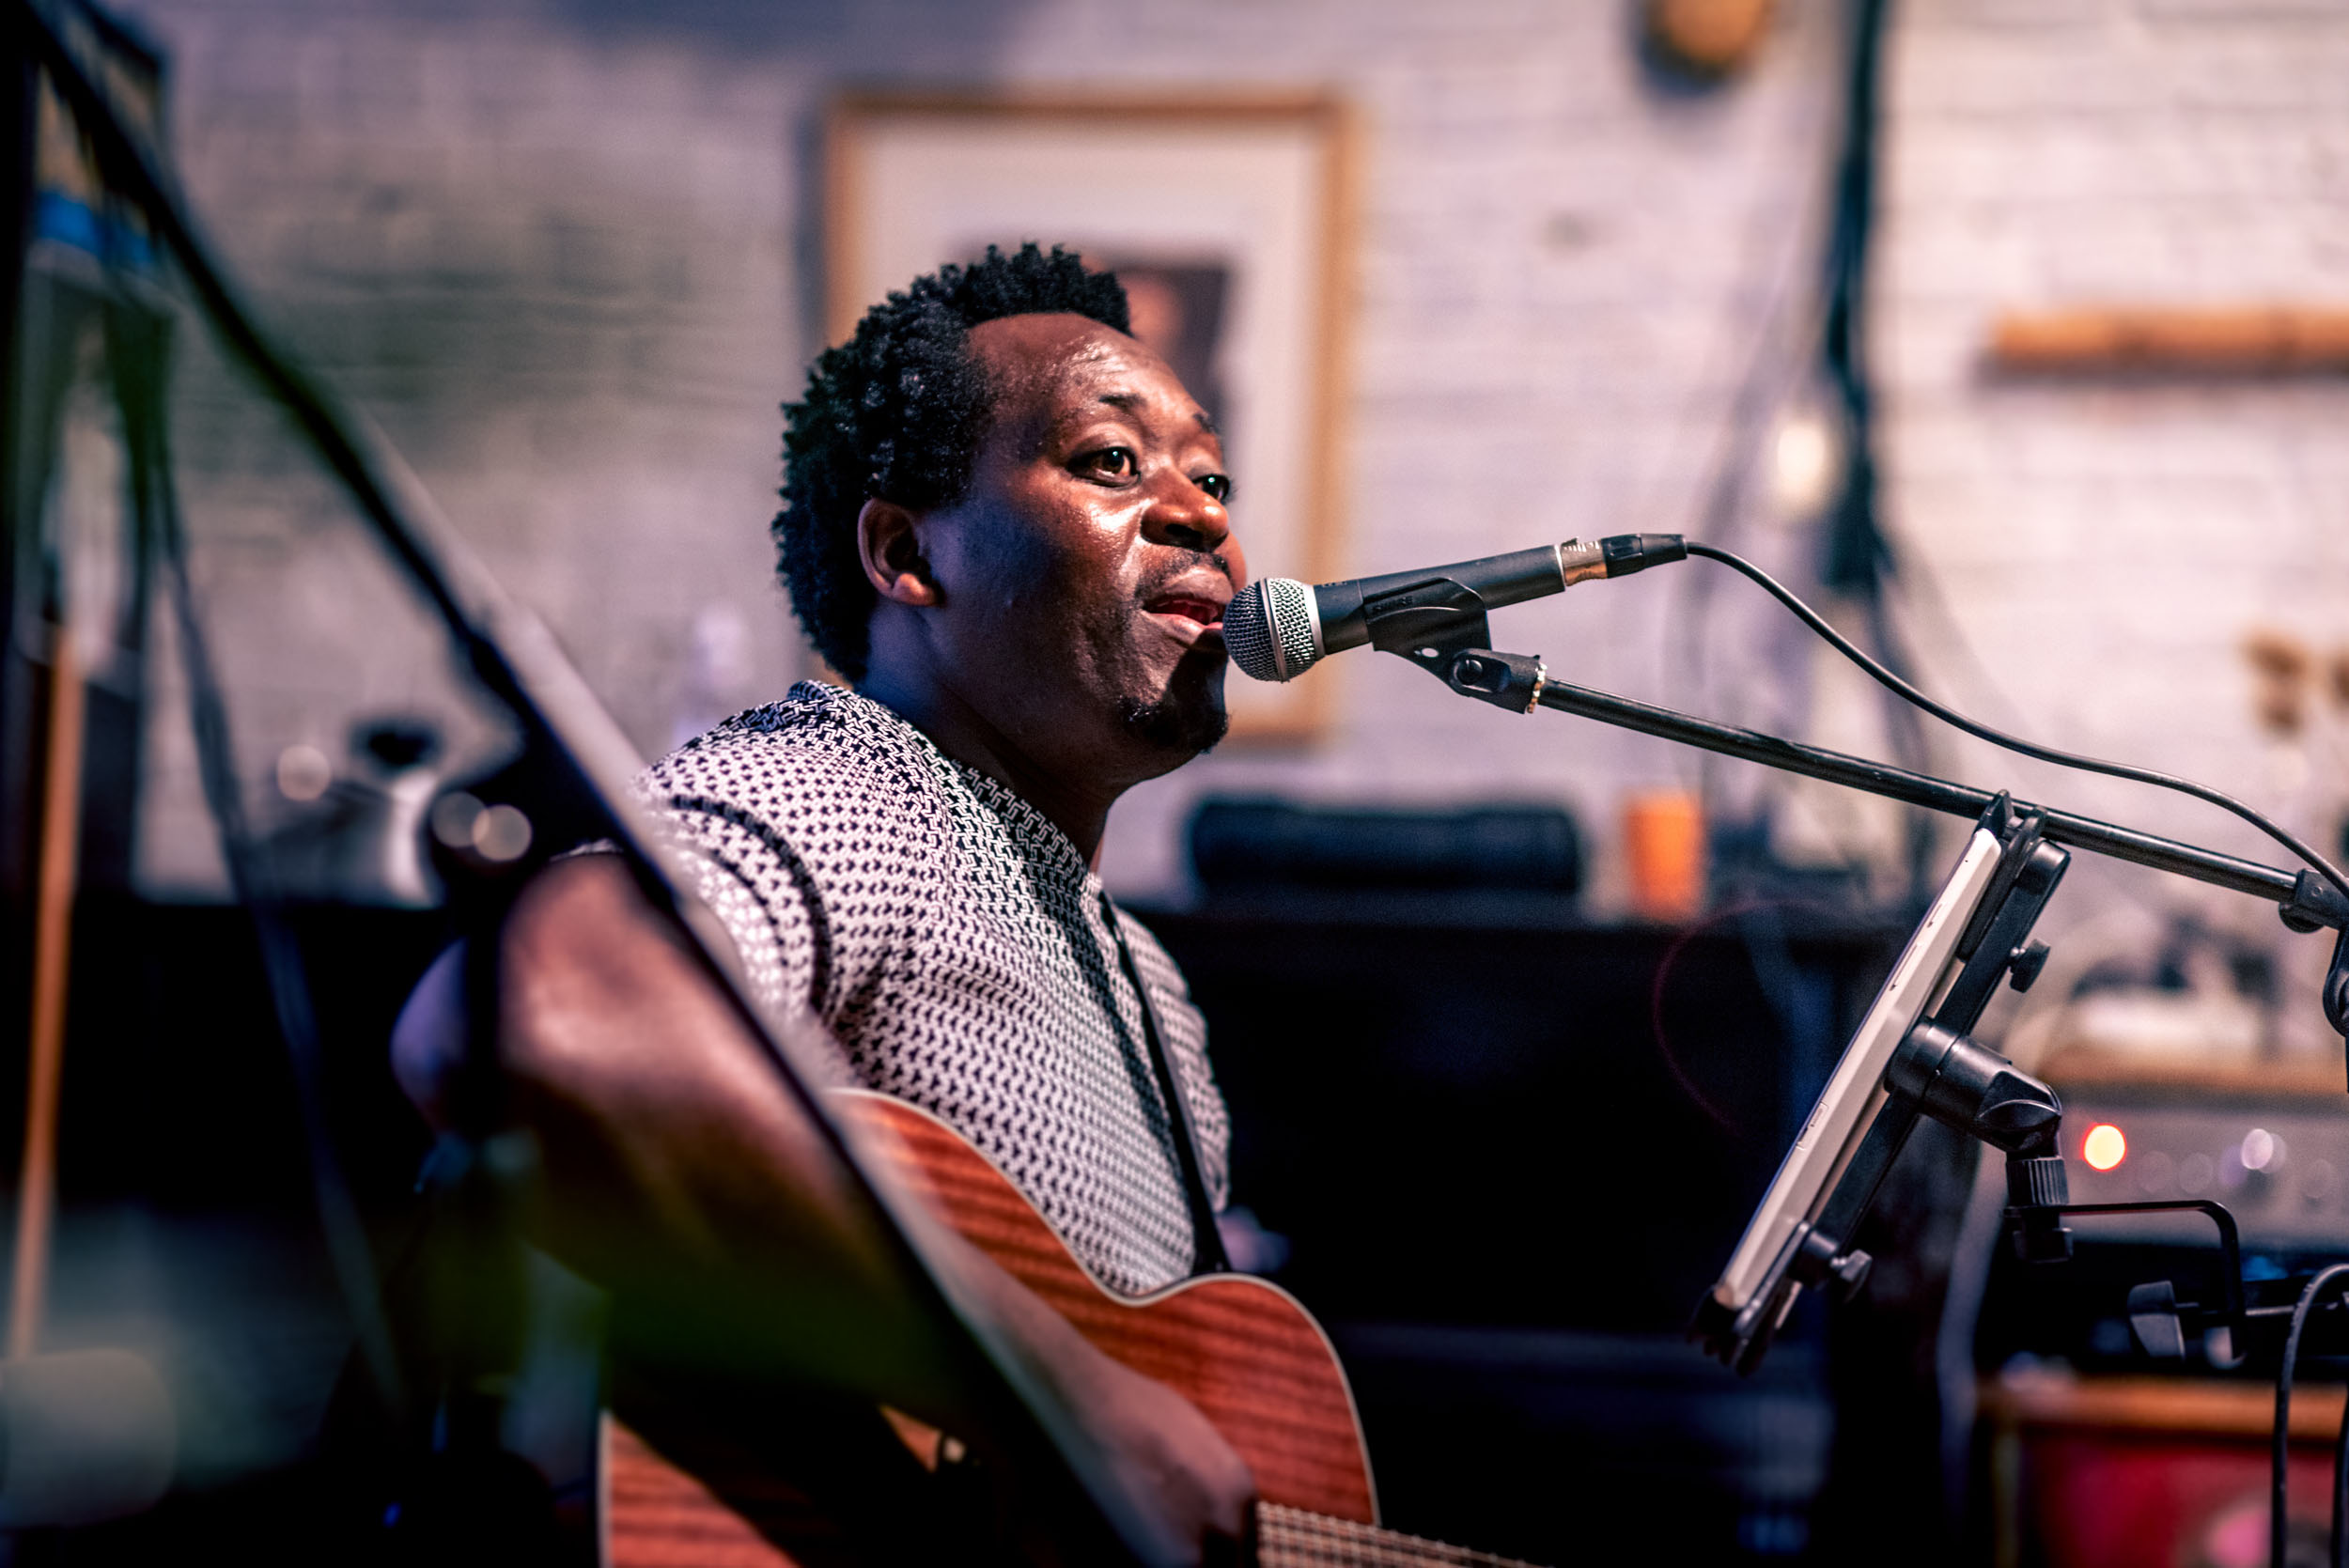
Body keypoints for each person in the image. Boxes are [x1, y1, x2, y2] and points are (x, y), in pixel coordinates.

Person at [393, 243, 1257, 1562]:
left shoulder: (1151, 989)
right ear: (909, 553)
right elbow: (546, 1012)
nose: (1203, 513)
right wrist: (1070, 1399)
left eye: (1212, 474)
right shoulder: (849, 787)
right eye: (1110, 462)